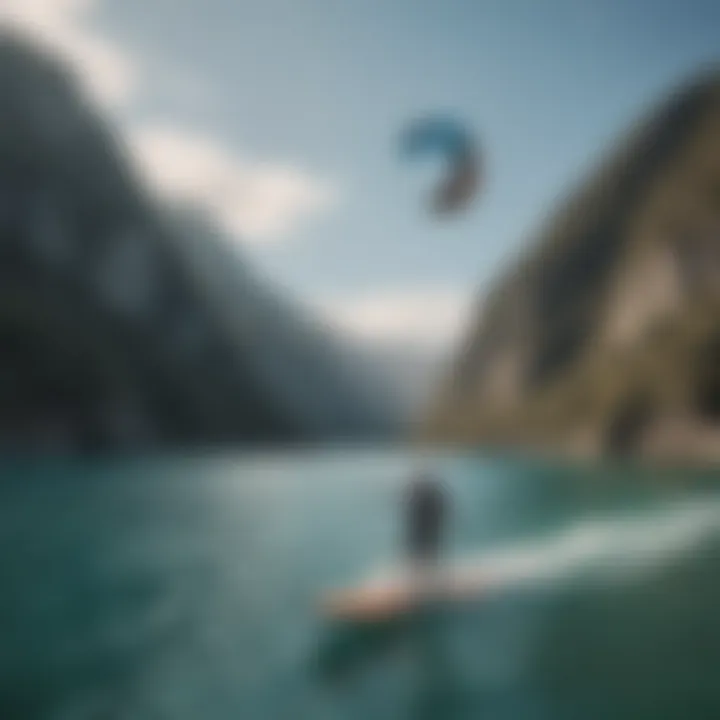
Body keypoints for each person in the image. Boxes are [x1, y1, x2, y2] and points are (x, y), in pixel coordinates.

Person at [405, 470, 447, 566]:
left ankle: (422, 565)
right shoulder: (433, 495)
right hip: (426, 526)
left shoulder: (417, 495)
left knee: (423, 544)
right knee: (427, 544)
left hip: (423, 526)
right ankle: (425, 565)